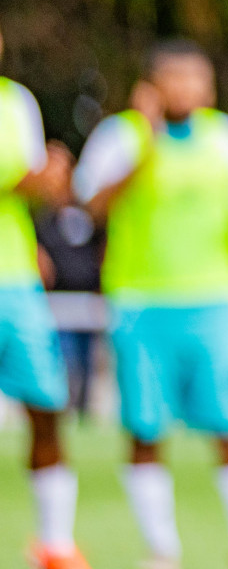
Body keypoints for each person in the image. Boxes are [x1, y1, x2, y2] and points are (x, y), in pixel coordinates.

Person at [73, 40, 228, 569]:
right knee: (146, 429)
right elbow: (91, 208)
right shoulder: (119, 136)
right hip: (140, 303)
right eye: (175, 77)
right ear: (150, 84)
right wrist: (145, 147)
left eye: (196, 77)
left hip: (213, 301)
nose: (187, 87)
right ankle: (162, 552)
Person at [0, 28, 94, 569]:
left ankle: (55, 545)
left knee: (47, 409)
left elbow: (34, 186)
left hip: (15, 282)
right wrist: (26, 180)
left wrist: (51, 181)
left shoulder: (17, 101)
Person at [32, 142, 106, 420]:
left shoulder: (88, 213)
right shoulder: (40, 216)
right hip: (55, 306)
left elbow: (102, 247)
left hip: (88, 304)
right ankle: (64, 414)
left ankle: (82, 415)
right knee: (65, 364)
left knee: (86, 367)